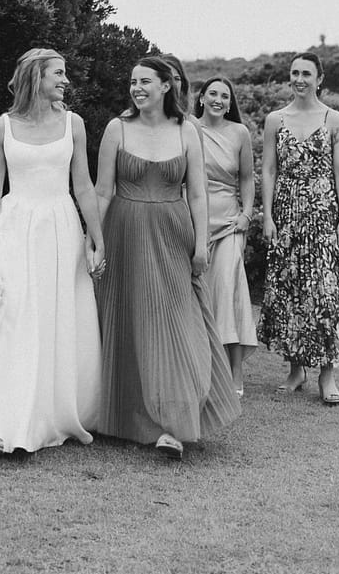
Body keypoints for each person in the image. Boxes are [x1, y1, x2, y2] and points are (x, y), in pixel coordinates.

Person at [0, 48, 105, 456]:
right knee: (9, 317)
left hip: (59, 227)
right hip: (14, 227)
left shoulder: (74, 124)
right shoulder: (2, 126)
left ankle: (49, 413)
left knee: (53, 318)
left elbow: (83, 185)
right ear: (35, 76)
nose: (65, 80)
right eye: (58, 73)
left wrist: (95, 236)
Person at [95, 56, 241, 461]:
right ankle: (135, 420)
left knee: (178, 322)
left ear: (166, 86)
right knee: (131, 322)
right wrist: (95, 242)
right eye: (132, 82)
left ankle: (176, 422)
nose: (136, 88)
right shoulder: (116, 128)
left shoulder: (186, 130)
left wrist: (200, 244)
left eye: (144, 81)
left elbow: (197, 193)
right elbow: (102, 191)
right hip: (123, 232)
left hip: (174, 234)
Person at [257, 52, 339, 403]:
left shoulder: (334, 119)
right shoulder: (275, 119)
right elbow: (268, 169)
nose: (299, 79)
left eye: (306, 74)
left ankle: (327, 375)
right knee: (289, 291)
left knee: (326, 292)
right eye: (294, 73)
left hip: (323, 214)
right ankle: (296, 370)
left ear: (320, 78)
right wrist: (267, 216)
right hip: (286, 215)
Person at [194, 76, 257, 395]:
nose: (219, 100)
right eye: (213, 94)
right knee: (202, 293)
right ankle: (203, 365)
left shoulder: (239, 133)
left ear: (230, 104)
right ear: (201, 97)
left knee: (230, 290)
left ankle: (235, 372)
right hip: (197, 221)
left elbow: (247, 178)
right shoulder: (188, 128)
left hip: (231, 222)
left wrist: (247, 214)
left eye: (225, 96)